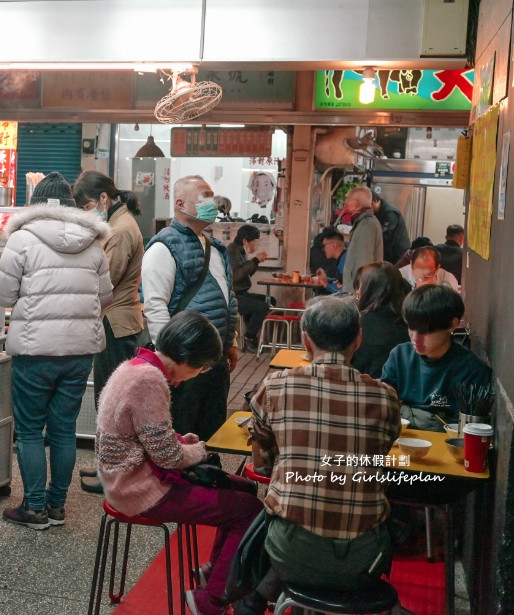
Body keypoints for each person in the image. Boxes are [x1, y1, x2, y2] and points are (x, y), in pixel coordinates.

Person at [96, 311, 264, 615]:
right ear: (189, 359)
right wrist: (198, 450)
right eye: (200, 368)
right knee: (249, 510)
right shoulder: (149, 380)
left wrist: (179, 441)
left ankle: (214, 575)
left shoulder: (135, 367)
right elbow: (168, 457)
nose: (197, 375)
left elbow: (151, 438)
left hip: (130, 477)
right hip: (138, 488)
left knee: (246, 489)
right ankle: (210, 602)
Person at [249, 295, 400, 594]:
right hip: (365, 560)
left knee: (270, 507)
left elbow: (262, 454)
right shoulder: (385, 397)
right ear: (358, 338)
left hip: (289, 554)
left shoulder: (276, 386)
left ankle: (247, 594)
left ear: (305, 341)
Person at [0, 171, 113, 529]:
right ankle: (57, 506)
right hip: (79, 353)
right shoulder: (93, 241)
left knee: (29, 431)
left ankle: (34, 508)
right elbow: (104, 295)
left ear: (36, 206)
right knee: (63, 430)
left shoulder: (23, 238)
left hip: (35, 350)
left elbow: (1, 294)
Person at [141, 175, 239, 440]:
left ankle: (205, 479)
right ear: (181, 204)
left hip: (213, 361)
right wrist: (170, 360)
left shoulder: (215, 248)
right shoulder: (163, 247)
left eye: (212, 196)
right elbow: (155, 306)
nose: (213, 203)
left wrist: (230, 341)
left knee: (211, 432)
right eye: (204, 197)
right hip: (183, 364)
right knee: (181, 433)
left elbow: (227, 297)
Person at [72, 170, 146, 493]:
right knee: (110, 398)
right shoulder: (118, 223)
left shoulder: (120, 230)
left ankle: (112, 474)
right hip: (119, 321)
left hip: (116, 324)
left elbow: (106, 282)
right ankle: (108, 469)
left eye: (87, 206)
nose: (87, 213)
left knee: (111, 401)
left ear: (104, 198)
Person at [380, 285, 492, 431]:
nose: (415, 337)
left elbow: (464, 430)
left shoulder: (472, 371)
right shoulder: (400, 355)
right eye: (411, 327)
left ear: (452, 325)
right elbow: (383, 405)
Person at [351, 262, 410, 379]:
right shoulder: (410, 322)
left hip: (366, 390)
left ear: (369, 289)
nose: (357, 291)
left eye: (360, 286)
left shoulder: (358, 323)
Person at [227, 224, 269, 352]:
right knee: (262, 307)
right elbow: (237, 275)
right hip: (233, 296)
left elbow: (246, 274)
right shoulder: (232, 251)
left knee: (269, 300)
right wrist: (255, 260)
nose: (255, 245)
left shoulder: (240, 250)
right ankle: (250, 337)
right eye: (254, 242)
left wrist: (255, 263)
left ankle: (251, 337)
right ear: (245, 241)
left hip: (243, 293)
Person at [341, 186, 383, 293]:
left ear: (354, 204)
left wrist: (358, 294)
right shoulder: (363, 223)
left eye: (347, 201)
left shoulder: (366, 225)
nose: (345, 204)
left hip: (358, 295)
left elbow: (364, 263)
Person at [371, 191, 410, 264]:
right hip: (388, 253)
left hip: (398, 254)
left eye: (369, 205)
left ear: (375, 201)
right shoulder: (376, 212)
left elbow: (385, 235)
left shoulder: (390, 213)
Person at [313, 227, 346, 294]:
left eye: (324, 245)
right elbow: (340, 281)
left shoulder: (346, 262)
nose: (323, 249)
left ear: (333, 245)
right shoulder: (343, 258)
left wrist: (326, 284)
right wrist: (326, 279)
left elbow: (344, 292)